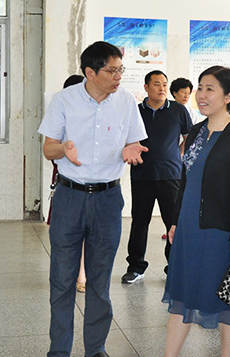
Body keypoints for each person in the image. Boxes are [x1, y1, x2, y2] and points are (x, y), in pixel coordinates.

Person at [38, 41, 147, 357]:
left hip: (108, 199)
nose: (118, 77)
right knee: (62, 280)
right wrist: (63, 149)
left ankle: (96, 348)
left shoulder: (126, 102)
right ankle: (59, 350)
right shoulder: (64, 100)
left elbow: (134, 142)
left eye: (120, 70)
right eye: (111, 71)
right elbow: (48, 149)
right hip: (70, 197)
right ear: (90, 72)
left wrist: (130, 149)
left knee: (99, 282)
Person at [162, 65, 230, 357]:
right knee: (181, 295)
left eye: (210, 89)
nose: (201, 95)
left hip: (221, 233)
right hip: (189, 227)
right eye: (200, 88)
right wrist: (175, 221)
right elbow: (185, 180)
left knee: (228, 299)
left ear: (228, 96)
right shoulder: (196, 132)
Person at [122, 70, 192, 284]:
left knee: (173, 223)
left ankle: (175, 266)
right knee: (139, 222)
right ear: (146, 87)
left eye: (164, 84)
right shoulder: (135, 111)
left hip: (171, 175)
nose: (162, 88)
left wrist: (178, 154)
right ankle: (136, 267)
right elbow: (124, 137)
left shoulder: (178, 110)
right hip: (142, 175)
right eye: (156, 84)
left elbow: (189, 136)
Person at [46, 74, 87, 293]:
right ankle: (68, 273)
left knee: (86, 233)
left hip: (92, 186)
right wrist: (64, 149)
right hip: (66, 182)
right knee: (65, 233)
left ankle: (81, 274)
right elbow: (50, 151)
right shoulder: (60, 113)